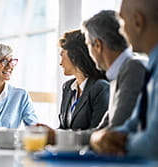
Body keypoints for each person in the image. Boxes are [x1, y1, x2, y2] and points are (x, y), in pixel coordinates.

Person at [90, 0, 158, 159]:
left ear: (137, 22)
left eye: (121, 21)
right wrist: (101, 138)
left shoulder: (137, 68)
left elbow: (154, 144)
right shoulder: (151, 68)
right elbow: (132, 124)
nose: (120, 31)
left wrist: (113, 142)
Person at [75, 10, 147, 144]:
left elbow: (114, 133)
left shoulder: (133, 68)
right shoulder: (119, 73)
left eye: (88, 45)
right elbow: (101, 130)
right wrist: (57, 137)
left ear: (97, 45)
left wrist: (57, 138)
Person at [58, 30, 109, 130]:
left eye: (62, 54)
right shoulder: (67, 87)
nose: (60, 63)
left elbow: (96, 132)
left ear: (75, 55)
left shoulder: (101, 88)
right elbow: (63, 128)